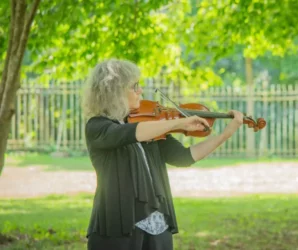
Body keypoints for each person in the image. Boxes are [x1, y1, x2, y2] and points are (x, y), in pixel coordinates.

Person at [82, 58, 243, 250]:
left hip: (157, 226)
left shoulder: (152, 128)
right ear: (114, 91)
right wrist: (178, 123)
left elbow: (184, 157)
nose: (140, 90)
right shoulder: (98, 127)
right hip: (116, 225)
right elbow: (132, 133)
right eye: (134, 86)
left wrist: (226, 133)